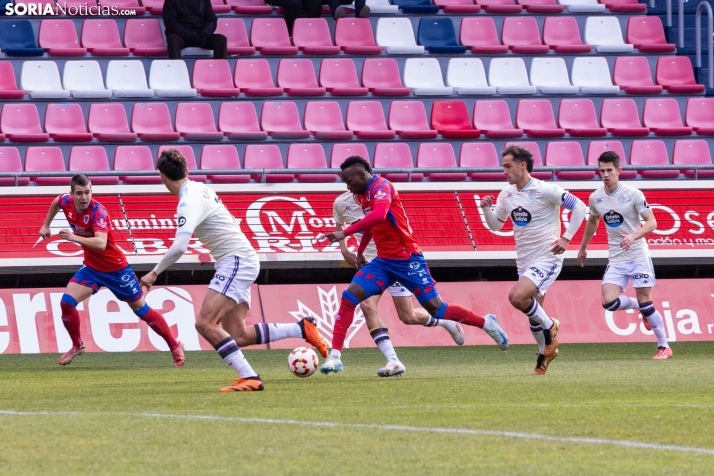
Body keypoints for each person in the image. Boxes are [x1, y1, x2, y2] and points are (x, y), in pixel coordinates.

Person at [140, 150, 328, 393]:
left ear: (163, 178)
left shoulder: (188, 201)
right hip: (241, 259)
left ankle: (250, 376)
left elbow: (180, 246)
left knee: (205, 324)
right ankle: (301, 328)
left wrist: (154, 273)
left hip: (236, 261)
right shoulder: (200, 188)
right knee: (236, 334)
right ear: (187, 170)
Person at [323, 156, 509, 369]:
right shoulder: (363, 196)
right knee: (350, 297)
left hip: (406, 258)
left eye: (349, 180)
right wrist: (360, 251)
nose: (347, 185)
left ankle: (486, 323)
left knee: (435, 309)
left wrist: (344, 233)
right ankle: (335, 357)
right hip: (382, 262)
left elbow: (380, 215)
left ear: (362, 175)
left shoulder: (382, 186)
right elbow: (371, 226)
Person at [39, 174, 185, 367]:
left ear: (92, 191)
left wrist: (74, 238)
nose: (84, 197)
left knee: (141, 310)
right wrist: (45, 224)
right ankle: (77, 345)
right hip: (92, 267)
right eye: (79, 193)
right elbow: (56, 201)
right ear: (72, 194)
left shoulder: (98, 212)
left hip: (116, 269)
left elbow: (100, 243)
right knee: (67, 303)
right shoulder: (66, 201)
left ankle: (175, 345)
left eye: (87, 192)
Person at [321, 189, 465, 377]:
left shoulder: (380, 195)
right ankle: (393, 360)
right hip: (373, 264)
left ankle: (443, 321)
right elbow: (339, 224)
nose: (351, 184)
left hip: (398, 260)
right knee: (366, 305)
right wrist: (344, 250)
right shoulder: (341, 202)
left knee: (408, 316)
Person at [479, 145, 587, 375]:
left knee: (517, 297)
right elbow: (496, 225)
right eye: (503, 167)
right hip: (525, 261)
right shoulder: (506, 195)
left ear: (522, 165)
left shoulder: (545, 190)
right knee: (534, 315)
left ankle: (552, 327)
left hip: (548, 257)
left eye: (508, 166)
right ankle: (544, 355)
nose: (504, 171)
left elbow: (580, 206)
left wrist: (566, 238)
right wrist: (487, 211)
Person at [578, 152, 671, 360]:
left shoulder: (633, 194)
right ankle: (640, 307)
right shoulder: (596, 197)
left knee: (646, 301)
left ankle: (664, 346)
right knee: (608, 302)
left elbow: (652, 222)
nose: (605, 174)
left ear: (618, 171)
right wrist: (583, 247)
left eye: (609, 170)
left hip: (638, 255)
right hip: (617, 258)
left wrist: (633, 235)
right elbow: (592, 222)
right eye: (602, 171)